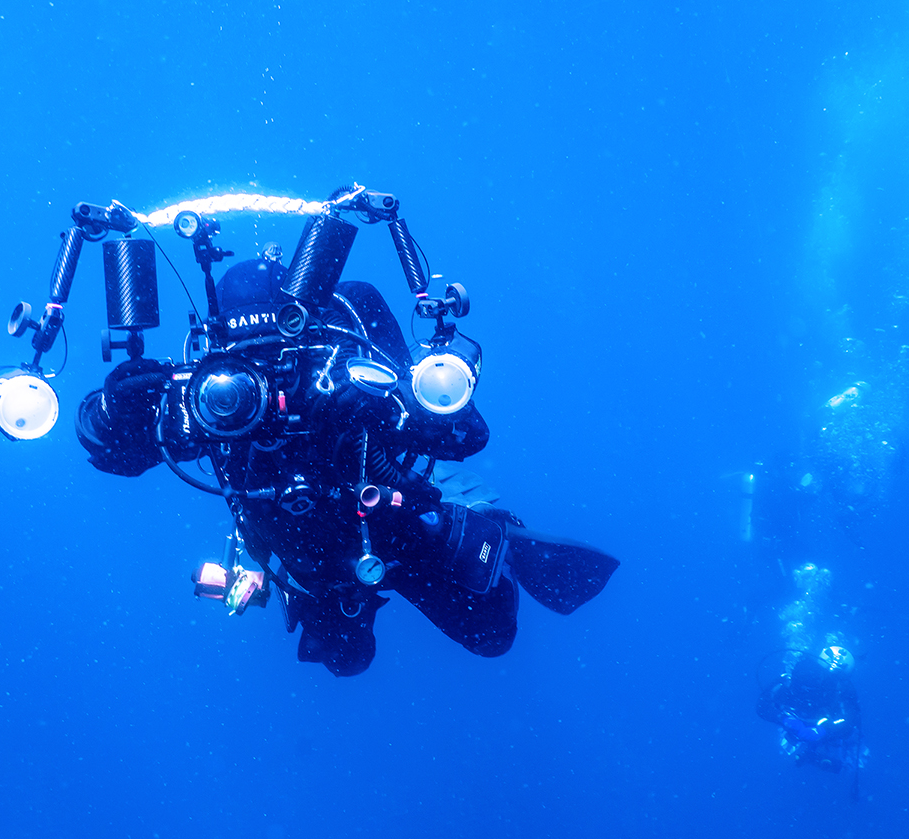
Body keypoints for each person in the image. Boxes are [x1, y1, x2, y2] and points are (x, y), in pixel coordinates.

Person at [76, 250, 618, 676]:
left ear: (305, 340)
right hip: (302, 560)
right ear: (221, 357)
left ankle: (490, 527)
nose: (265, 387)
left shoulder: (346, 375)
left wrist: (385, 404)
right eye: (248, 365)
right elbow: (107, 452)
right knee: (345, 661)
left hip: (391, 525)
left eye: (279, 360)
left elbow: (468, 432)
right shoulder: (212, 403)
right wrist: (116, 409)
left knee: (493, 635)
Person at [757, 643, 865, 773]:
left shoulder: (841, 690)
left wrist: (824, 729)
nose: (809, 690)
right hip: (793, 727)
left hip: (827, 730)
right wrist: (784, 719)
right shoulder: (790, 680)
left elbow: (849, 722)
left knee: (852, 764)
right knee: (784, 756)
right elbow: (763, 705)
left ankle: (813, 757)